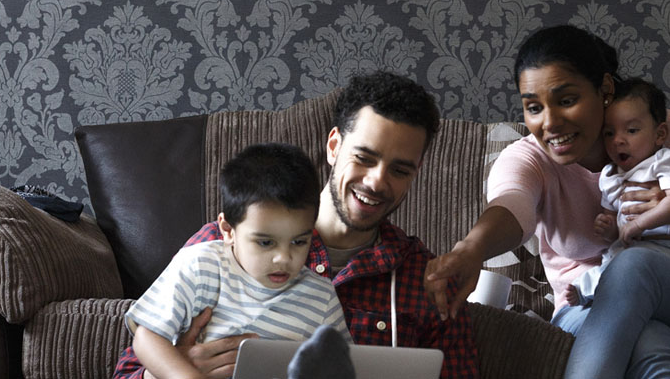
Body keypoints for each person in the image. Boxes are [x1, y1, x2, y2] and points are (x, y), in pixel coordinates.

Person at [425, 25, 670, 379]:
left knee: (635, 265)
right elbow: (513, 206)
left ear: (604, 90)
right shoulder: (528, 159)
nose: (550, 123)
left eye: (567, 100)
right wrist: (470, 249)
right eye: (533, 107)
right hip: (584, 307)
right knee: (652, 340)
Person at [113, 71, 478, 379]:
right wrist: (171, 370)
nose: (377, 182)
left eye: (400, 170)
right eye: (364, 158)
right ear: (334, 146)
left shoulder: (427, 280)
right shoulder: (222, 246)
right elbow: (128, 367)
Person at [124, 143, 351, 379]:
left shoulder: (322, 297)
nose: (283, 258)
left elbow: (348, 367)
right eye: (265, 242)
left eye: (299, 242)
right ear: (228, 230)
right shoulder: (199, 265)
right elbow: (146, 337)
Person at [568, 77, 670, 307]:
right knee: (609, 267)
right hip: (632, 250)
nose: (618, 140)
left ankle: (596, 291)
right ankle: (590, 292)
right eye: (609, 133)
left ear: (659, 134)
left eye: (631, 130)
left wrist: (638, 225)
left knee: (625, 267)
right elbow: (615, 228)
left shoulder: (666, 160)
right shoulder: (610, 177)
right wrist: (609, 228)